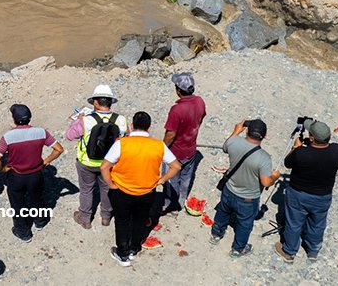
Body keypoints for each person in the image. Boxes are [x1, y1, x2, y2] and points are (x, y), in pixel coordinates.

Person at [101, 111, 181, 266]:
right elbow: (176, 166)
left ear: (132, 126)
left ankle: (122, 253)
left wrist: (110, 184)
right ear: (149, 128)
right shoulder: (158, 145)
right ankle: (134, 248)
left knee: (122, 221)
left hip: (122, 191)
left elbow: (104, 166)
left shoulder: (121, 144)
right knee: (140, 220)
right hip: (146, 192)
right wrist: (162, 180)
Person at [0, 103, 64, 242]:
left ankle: (23, 232)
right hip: (36, 174)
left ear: (14, 119)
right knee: (36, 197)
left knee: (18, 204)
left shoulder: (8, 136)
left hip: (16, 176)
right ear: (29, 118)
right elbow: (59, 149)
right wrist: (46, 160)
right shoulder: (41, 132)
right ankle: (40, 221)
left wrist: (3, 168)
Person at [275, 120, 338, 263]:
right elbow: (320, 151)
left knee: (294, 223)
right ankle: (313, 251)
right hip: (323, 196)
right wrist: (308, 144)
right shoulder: (337, 150)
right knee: (317, 223)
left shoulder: (301, 153)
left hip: (299, 194)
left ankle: (289, 251)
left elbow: (287, 163)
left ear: (312, 138)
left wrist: (296, 148)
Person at [209, 119, 280, 258]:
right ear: (265, 136)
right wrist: (275, 177)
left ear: (246, 130)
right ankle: (238, 248)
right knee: (245, 223)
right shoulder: (264, 157)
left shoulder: (234, 141)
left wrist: (236, 131)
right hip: (248, 198)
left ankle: (216, 234)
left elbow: (225, 147)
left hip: (229, 189)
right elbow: (266, 182)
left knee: (223, 212)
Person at [65, 84, 129, 229]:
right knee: (107, 188)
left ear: (95, 102)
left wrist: (78, 120)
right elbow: (126, 138)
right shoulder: (121, 120)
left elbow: (69, 136)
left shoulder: (86, 120)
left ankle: (85, 218)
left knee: (86, 190)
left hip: (87, 163)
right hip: (109, 163)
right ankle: (106, 216)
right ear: (111, 102)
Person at [162, 72, 207, 218]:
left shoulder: (177, 110)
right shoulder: (200, 101)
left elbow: (171, 134)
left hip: (176, 152)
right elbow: (201, 117)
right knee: (186, 177)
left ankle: (172, 205)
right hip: (191, 150)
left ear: (178, 90)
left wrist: (162, 148)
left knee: (171, 179)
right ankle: (182, 201)